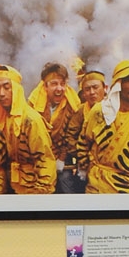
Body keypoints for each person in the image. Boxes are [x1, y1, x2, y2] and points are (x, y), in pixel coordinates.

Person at [81, 60, 129, 194]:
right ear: (118, 84)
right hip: (97, 184)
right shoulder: (99, 111)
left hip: (128, 186)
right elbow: (84, 142)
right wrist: (87, 169)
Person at [0, 65, 57, 194]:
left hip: (33, 187)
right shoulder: (4, 117)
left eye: (7, 87)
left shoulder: (31, 120)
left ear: (16, 90)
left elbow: (45, 159)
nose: (1, 93)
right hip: (15, 183)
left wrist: (41, 191)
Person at [30, 61, 85, 194]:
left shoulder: (72, 105)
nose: (59, 89)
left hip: (63, 156)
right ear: (45, 85)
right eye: (54, 84)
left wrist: (61, 159)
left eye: (62, 84)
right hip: (39, 157)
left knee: (66, 182)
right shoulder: (34, 103)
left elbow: (70, 134)